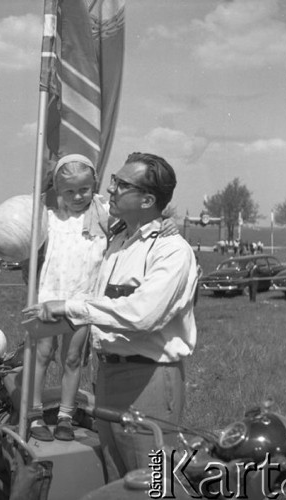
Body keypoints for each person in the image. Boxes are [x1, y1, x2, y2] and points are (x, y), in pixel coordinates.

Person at [24, 152, 198, 481]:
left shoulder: (171, 251)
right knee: (116, 477)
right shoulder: (116, 240)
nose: (112, 189)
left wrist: (69, 307)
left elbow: (142, 315)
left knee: (153, 480)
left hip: (148, 381)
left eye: (121, 184)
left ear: (147, 199)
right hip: (106, 377)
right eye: (113, 181)